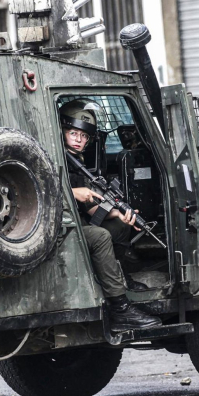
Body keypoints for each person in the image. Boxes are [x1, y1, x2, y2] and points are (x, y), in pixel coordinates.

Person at [60, 100, 162, 332]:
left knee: (119, 227)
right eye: (73, 133)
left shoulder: (76, 161)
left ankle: (119, 277)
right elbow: (41, 188)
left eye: (84, 136)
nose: (78, 139)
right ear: (62, 131)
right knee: (100, 236)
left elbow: (91, 209)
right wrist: (74, 192)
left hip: (77, 221)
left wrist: (119, 213)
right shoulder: (52, 156)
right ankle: (120, 308)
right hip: (58, 227)